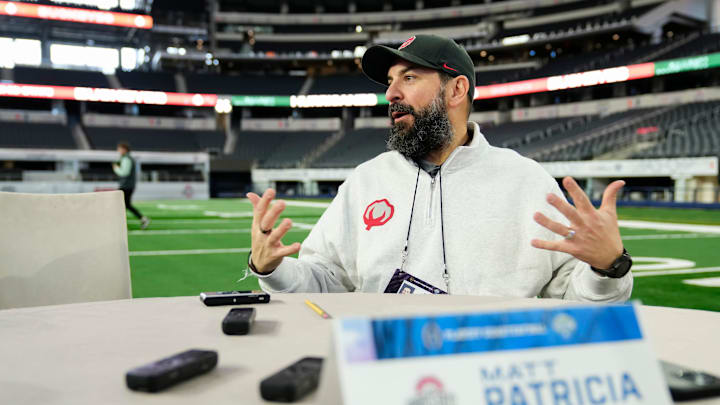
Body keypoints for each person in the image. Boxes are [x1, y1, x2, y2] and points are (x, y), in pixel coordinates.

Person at [244, 35, 633, 301]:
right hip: (385, 370)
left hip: (492, 374)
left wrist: (607, 268)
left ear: (456, 90)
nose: (391, 93)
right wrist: (272, 269)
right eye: (391, 82)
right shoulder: (366, 180)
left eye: (409, 78)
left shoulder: (526, 181)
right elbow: (326, 280)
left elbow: (570, 297)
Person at [113, 142, 150, 230]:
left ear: (124, 149)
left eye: (120, 149)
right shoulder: (126, 158)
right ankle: (142, 219)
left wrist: (116, 168)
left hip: (126, 186)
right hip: (127, 185)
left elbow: (124, 173)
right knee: (126, 205)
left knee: (122, 205)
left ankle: (122, 223)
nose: (118, 151)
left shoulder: (127, 159)